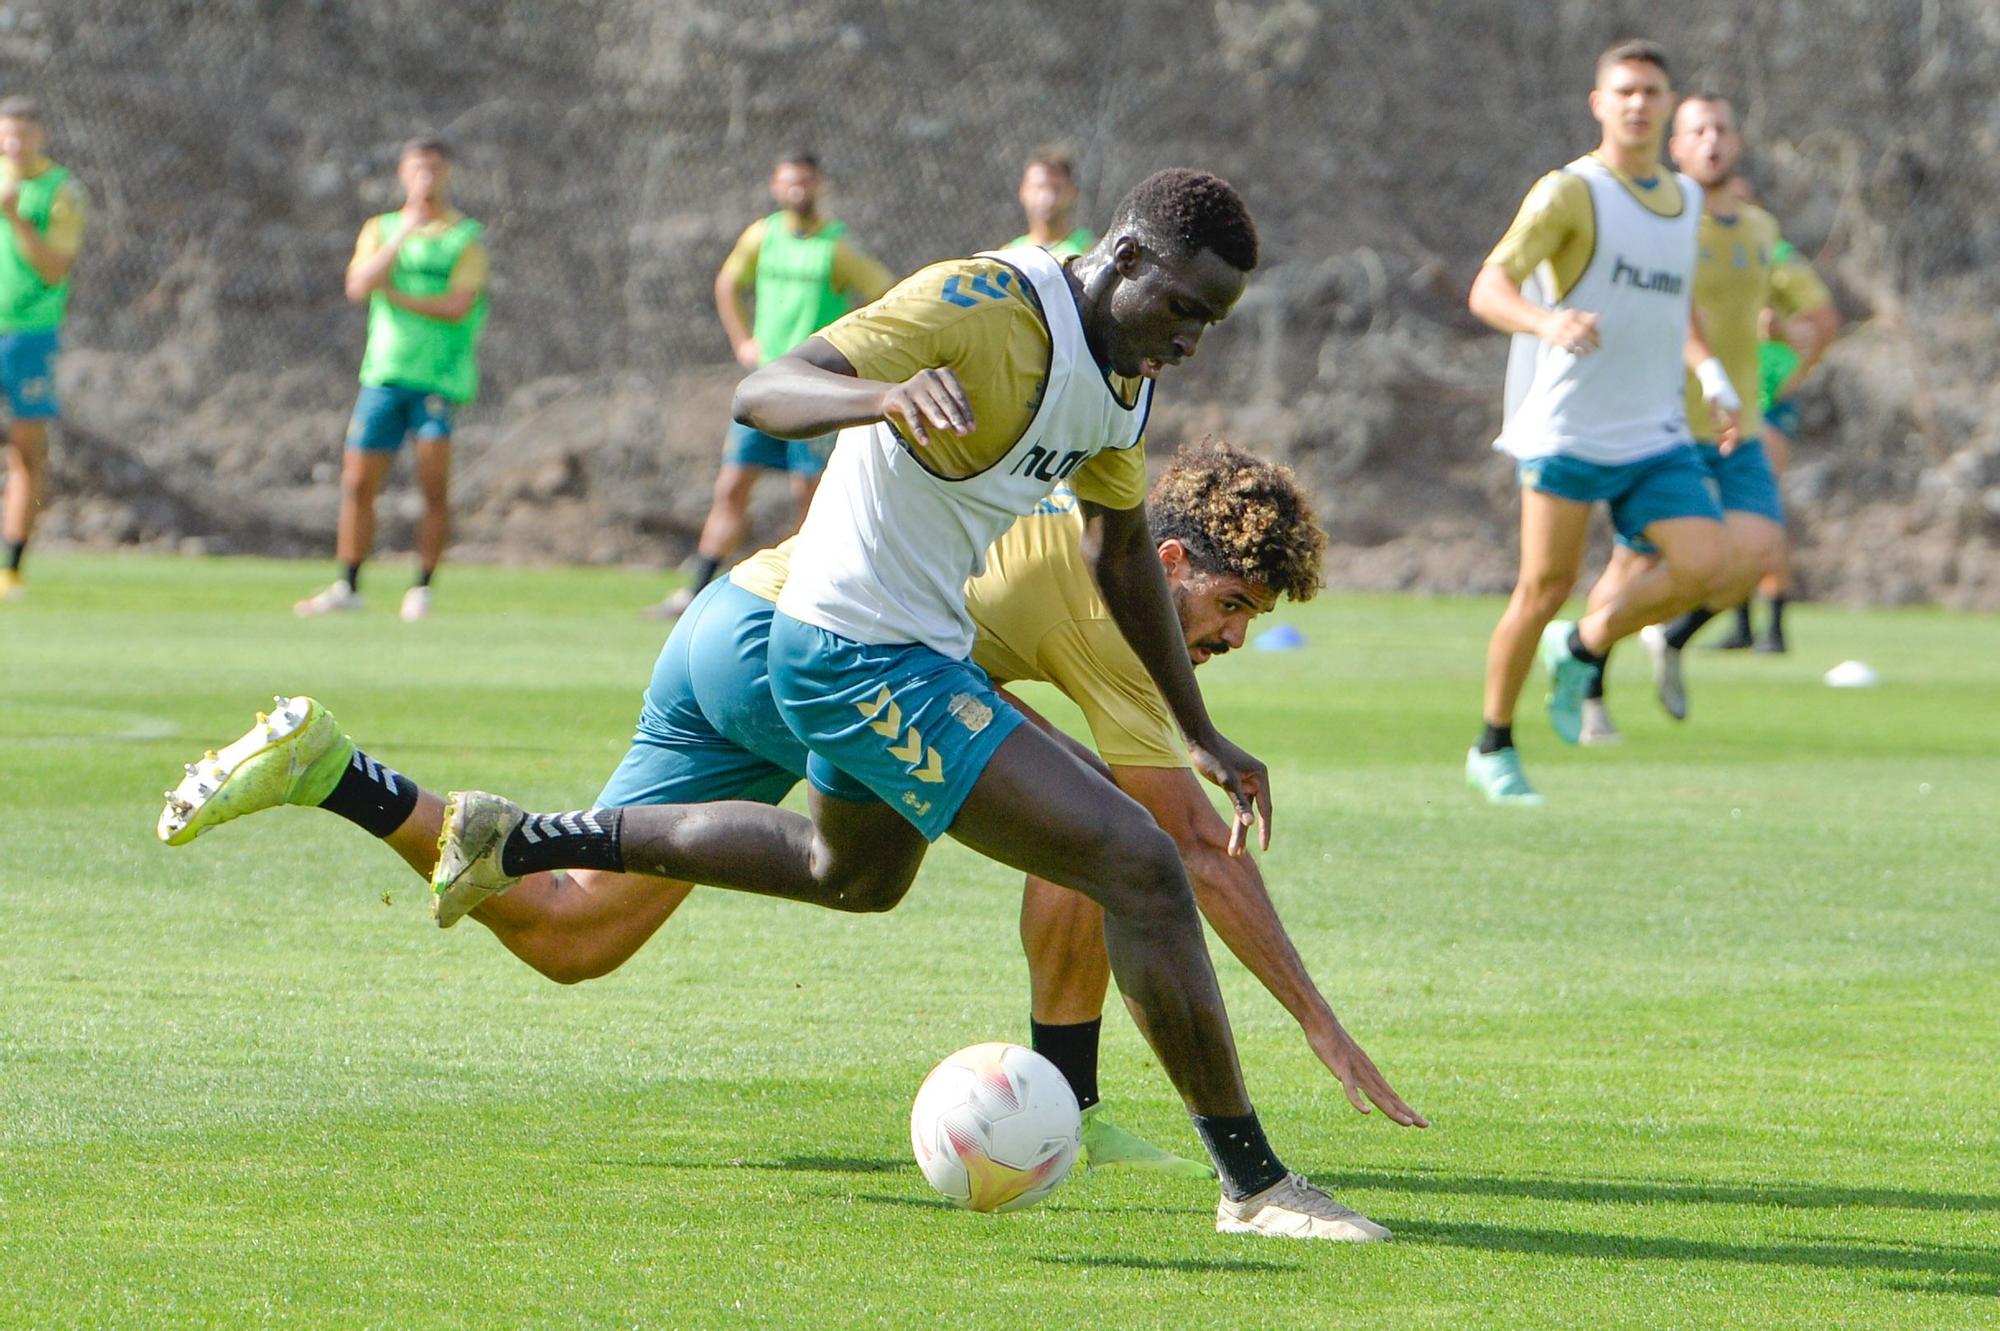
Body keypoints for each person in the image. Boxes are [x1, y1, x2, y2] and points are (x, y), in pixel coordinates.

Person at [167, 169, 1423, 1241]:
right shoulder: (981, 301)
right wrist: (873, 397)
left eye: (1209, 323)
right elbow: (764, 389)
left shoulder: (1124, 383)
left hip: (881, 648)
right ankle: (1251, 1182)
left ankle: (520, 835)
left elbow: (1112, 551)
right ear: (1126, 255)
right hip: (843, 647)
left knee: (843, 875)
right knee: (1135, 861)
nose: (1189, 338)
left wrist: (1200, 730)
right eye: (1183, 307)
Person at [161, 440, 1418, 1188]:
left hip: (733, 622)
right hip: (813, 660)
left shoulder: (1069, 528)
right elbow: (1190, 849)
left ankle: (337, 772)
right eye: (1234, 604)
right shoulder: (1115, 606)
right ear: (1176, 560)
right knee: (998, 849)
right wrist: (1323, 1026)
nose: (1236, 638)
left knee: (569, 937)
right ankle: (1102, 1117)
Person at [1462, 40, 1739, 802]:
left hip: (1652, 428)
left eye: (1652, 91)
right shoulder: (1570, 192)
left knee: (1707, 564)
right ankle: (1493, 744)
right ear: (1599, 103)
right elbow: (1490, 288)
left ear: (1668, 106)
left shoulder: (1685, 200)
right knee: (1543, 586)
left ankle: (1583, 645)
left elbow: (1672, 302)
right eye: (1625, 91)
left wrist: (1710, 375)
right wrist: (1546, 322)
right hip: (1570, 427)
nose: (1639, 104)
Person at [1575, 94, 1839, 740]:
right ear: (1677, 145)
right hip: (1661, 424)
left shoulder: (1758, 230)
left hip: (1738, 427)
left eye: (1723, 128)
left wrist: (1787, 369)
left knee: (1756, 552)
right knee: (1632, 566)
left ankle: (1669, 635)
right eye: (1698, 129)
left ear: (1737, 142)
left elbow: (1820, 316)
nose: (1712, 140)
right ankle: (1590, 685)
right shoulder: (1659, 223)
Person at [649, 150, 894, 619]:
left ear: (820, 184)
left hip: (814, 389)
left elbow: (884, 293)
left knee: (811, 493)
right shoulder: (763, 235)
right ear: (775, 186)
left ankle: (810, 590)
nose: (796, 190)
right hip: (766, 384)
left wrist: (852, 356)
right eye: (788, 182)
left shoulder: (837, 246)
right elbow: (728, 283)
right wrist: (744, 341)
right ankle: (695, 589)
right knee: (732, 484)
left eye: (805, 182)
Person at [296, 136, 488, 622]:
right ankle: (349, 583)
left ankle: (421, 586)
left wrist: (398, 296)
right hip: (384, 374)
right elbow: (359, 284)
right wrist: (403, 235)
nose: (426, 178)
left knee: (432, 484)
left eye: (435, 169)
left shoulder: (463, 236)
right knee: (358, 482)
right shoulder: (381, 229)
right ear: (403, 174)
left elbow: (456, 305)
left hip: (438, 379)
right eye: (417, 168)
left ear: (447, 174)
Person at [1710, 238, 1839, 653]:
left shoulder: (1772, 256)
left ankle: (1775, 627)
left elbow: (1819, 325)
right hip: (1727, 398)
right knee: (1733, 510)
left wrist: (1794, 364)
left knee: (1759, 507)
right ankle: (1743, 624)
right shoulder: (1710, 255)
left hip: (1766, 400)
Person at [0, 97, 85, 603]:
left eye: (23, 134)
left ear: (40, 136)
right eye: (6, 134)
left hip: (30, 333)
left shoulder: (61, 191)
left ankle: (11, 566)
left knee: (27, 448)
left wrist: (17, 219)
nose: (13, 143)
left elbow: (55, 267)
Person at [1010, 148, 1095, 258]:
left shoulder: (1091, 251)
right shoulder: (1009, 256)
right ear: (1023, 191)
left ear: (1073, 192)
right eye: (1039, 187)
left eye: (1057, 189)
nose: (1048, 197)